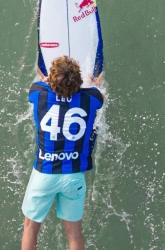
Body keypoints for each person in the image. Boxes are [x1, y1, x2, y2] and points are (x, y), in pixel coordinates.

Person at [21, 56, 104, 250]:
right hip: (73, 177)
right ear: (78, 81)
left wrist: (48, 81)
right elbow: (98, 94)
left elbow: (37, 86)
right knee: (74, 234)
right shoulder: (92, 98)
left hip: (44, 176)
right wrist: (93, 85)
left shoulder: (38, 94)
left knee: (30, 229)